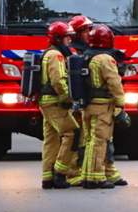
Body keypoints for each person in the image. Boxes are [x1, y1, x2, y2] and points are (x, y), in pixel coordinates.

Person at [79, 25, 130, 189]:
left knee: (90, 141)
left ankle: (87, 176)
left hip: (87, 106)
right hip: (102, 107)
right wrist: (121, 102)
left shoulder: (86, 56)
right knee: (99, 141)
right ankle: (96, 178)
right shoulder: (105, 59)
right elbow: (114, 82)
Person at [39, 21, 79, 189]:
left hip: (47, 101)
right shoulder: (56, 55)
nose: (69, 40)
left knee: (51, 140)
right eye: (66, 37)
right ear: (57, 38)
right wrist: (67, 98)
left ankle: (47, 178)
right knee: (73, 133)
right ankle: (60, 173)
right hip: (54, 102)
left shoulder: (48, 53)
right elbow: (58, 80)